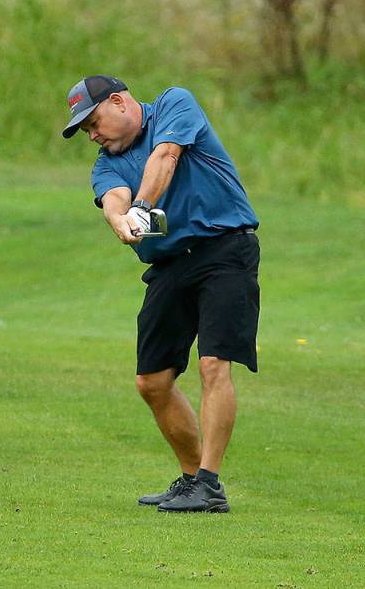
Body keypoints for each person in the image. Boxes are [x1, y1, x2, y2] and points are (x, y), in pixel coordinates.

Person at [62, 75, 260, 512]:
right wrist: (119, 220)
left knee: (213, 364)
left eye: (93, 122)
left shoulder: (175, 104)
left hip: (224, 248)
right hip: (169, 265)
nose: (93, 135)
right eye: (86, 131)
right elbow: (113, 196)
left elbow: (165, 157)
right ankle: (193, 479)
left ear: (118, 102)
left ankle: (208, 483)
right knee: (152, 382)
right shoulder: (105, 161)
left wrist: (141, 207)